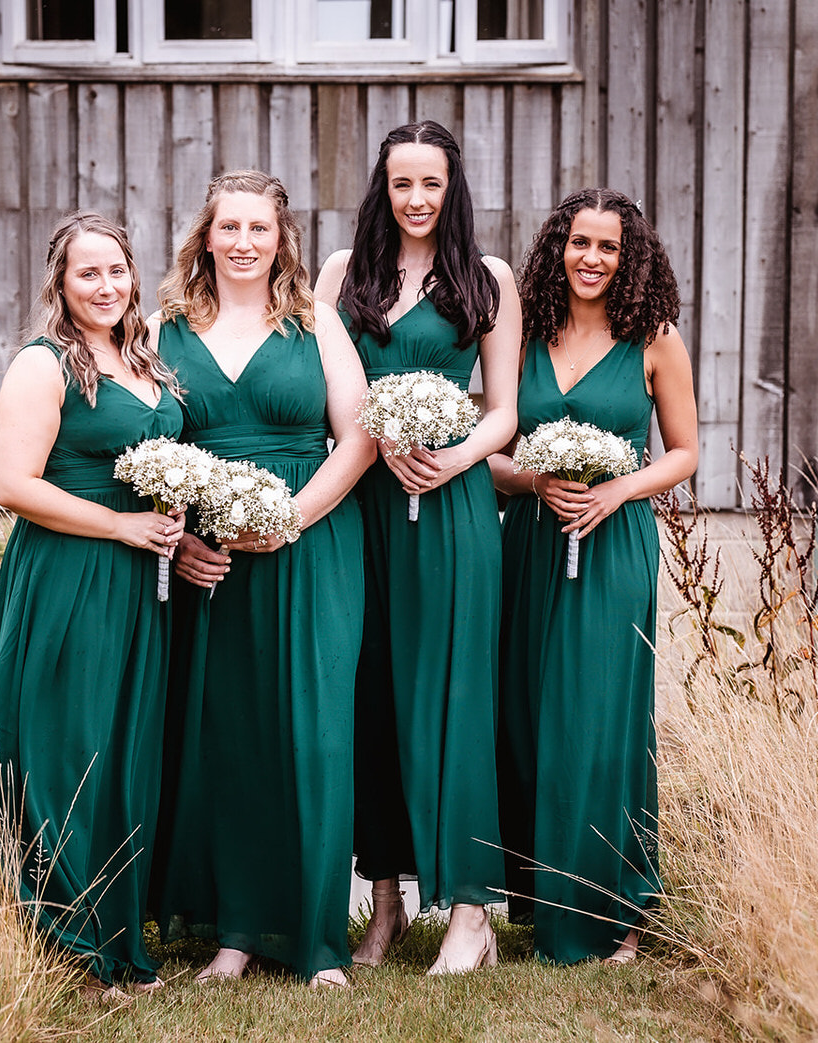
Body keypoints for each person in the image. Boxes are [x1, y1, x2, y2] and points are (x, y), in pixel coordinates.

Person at [150, 170, 376, 988]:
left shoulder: (314, 320)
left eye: (260, 228)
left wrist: (292, 520)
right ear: (204, 236)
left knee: (314, 733)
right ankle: (237, 933)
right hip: (213, 558)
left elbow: (359, 438)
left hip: (310, 545)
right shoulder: (162, 326)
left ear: (282, 239)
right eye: (228, 227)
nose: (244, 242)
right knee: (232, 737)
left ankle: (320, 942)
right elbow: (138, 452)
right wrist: (179, 546)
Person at [314, 120, 520, 974]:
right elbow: (326, 384)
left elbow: (503, 407)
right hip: (362, 504)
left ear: (452, 187)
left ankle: (473, 913)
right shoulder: (340, 275)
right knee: (372, 696)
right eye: (402, 183)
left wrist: (451, 460)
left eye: (430, 183)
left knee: (455, 697)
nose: (417, 199)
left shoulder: (488, 279)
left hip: (455, 506)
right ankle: (387, 903)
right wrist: (371, 438)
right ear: (383, 189)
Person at [0, 211, 186, 995]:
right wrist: (121, 525)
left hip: (141, 583)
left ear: (135, 276)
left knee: (124, 753)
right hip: (71, 573)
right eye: (87, 273)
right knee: (67, 750)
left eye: (117, 271)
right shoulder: (45, 364)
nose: (106, 286)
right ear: (60, 284)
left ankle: (120, 940)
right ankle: (68, 944)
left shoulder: (144, 359)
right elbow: (12, 485)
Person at [489, 188, 697, 965]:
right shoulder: (524, 336)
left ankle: (621, 910)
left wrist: (618, 488)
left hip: (613, 547)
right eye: (580, 242)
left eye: (608, 246)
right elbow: (495, 453)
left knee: (601, 720)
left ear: (629, 256)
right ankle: (540, 900)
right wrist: (534, 482)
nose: (592, 258)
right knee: (527, 714)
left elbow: (683, 451)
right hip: (531, 543)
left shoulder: (654, 340)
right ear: (558, 247)